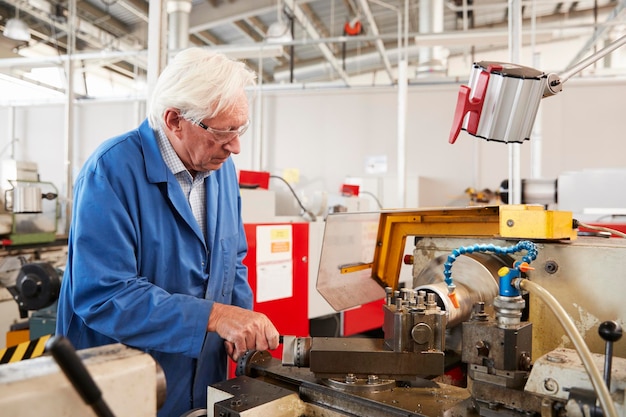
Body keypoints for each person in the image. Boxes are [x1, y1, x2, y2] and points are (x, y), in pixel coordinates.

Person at [55, 47, 280, 417]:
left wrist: (243, 328)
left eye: (240, 129)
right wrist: (215, 317)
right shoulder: (110, 172)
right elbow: (105, 295)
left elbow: (232, 259)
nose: (236, 146)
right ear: (175, 120)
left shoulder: (220, 170)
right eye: (223, 131)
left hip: (201, 380)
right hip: (123, 389)